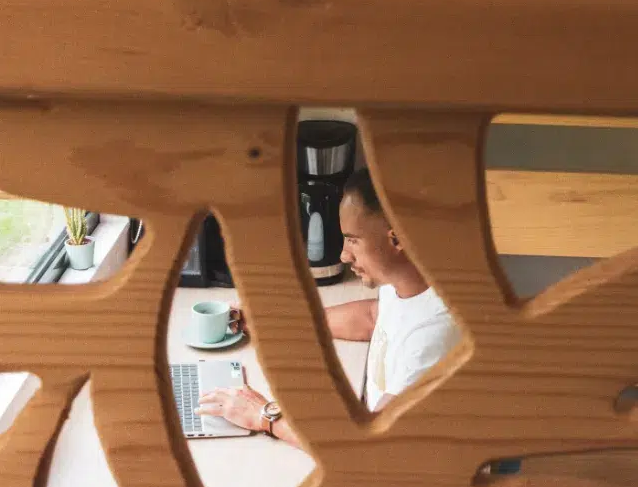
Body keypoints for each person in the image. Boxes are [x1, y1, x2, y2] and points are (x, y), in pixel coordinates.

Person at [194, 168, 460, 447]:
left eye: (353, 240)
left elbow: (365, 447)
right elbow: (372, 317)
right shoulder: (417, 284)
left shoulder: (433, 338)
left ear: (397, 240)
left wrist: (264, 416)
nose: (344, 255)